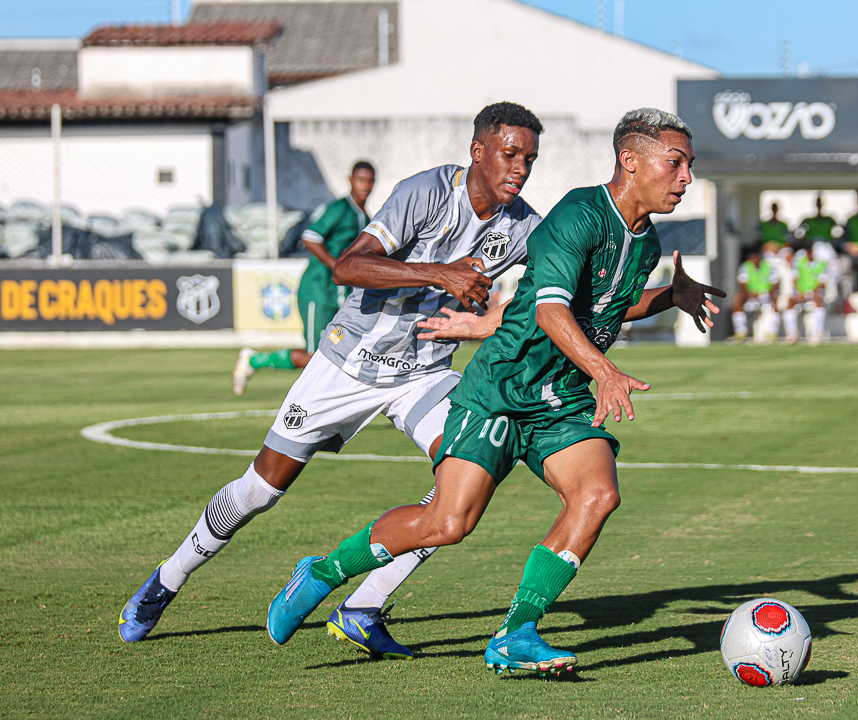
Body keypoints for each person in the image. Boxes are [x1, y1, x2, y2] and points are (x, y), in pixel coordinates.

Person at [264, 108, 725, 675]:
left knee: (597, 495)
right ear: (630, 160)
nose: (685, 178)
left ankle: (516, 633)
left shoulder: (646, 243)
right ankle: (323, 573)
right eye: (675, 163)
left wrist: (665, 298)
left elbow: (604, 308)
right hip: (502, 387)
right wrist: (604, 370)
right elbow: (552, 310)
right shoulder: (579, 214)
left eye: (689, 166)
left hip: (557, 398)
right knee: (449, 524)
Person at [119, 103, 547, 658]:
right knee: (260, 489)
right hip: (347, 363)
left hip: (422, 373)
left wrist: (665, 294)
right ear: (478, 150)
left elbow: (564, 284)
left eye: (530, 159)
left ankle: (363, 605)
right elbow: (349, 265)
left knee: (464, 484)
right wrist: (438, 272)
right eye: (511, 154)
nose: (520, 169)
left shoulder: (523, 226)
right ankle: (166, 580)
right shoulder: (427, 192)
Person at [233, 161, 376, 396]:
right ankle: (255, 361)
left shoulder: (364, 216)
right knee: (317, 357)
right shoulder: (339, 209)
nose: (365, 185)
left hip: (340, 295)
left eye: (369, 181)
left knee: (339, 351)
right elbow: (310, 237)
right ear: (350, 180)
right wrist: (336, 266)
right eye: (361, 180)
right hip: (317, 291)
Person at [732, 241, 779, 342]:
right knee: (738, 298)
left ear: (759, 257)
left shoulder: (768, 267)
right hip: (751, 296)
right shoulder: (745, 267)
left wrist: (766, 293)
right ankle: (741, 331)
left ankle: (773, 331)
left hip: (765, 295)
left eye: (755, 258)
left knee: (776, 297)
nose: (753, 261)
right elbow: (742, 285)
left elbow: (775, 284)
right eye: (751, 258)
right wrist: (750, 294)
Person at [783, 242, 828, 345]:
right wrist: (799, 292)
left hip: (814, 292)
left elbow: (822, 283)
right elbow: (795, 279)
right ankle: (792, 333)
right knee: (790, 300)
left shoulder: (821, 263)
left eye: (811, 252)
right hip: (801, 291)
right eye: (807, 252)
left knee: (818, 298)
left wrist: (810, 292)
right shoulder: (799, 262)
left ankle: (817, 333)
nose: (809, 255)